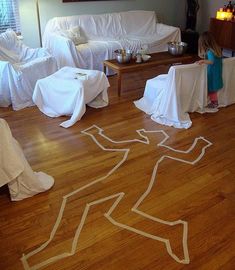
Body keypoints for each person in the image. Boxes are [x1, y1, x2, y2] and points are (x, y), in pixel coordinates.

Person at [197, 31, 223, 109]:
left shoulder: (209, 51)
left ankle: (214, 102)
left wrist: (203, 61)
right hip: (216, 72)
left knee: (211, 88)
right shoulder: (216, 49)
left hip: (212, 73)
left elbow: (211, 61)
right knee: (212, 87)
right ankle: (212, 100)